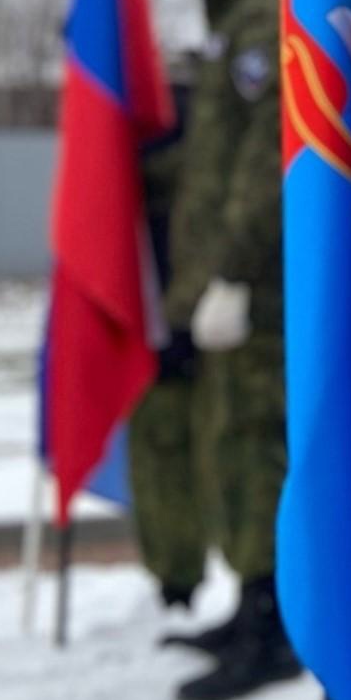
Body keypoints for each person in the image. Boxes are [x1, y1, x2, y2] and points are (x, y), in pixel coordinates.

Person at [161, 0, 300, 700]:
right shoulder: (236, 20)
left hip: (258, 286)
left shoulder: (259, 19)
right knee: (235, 448)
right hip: (232, 282)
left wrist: (235, 272)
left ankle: (274, 622)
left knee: (258, 447)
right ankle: (250, 601)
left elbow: (264, 166)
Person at [127, 66, 207, 614]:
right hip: (161, 319)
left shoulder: (173, 141)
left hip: (180, 321)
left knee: (173, 461)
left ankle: (180, 579)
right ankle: (176, 578)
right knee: (163, 459)